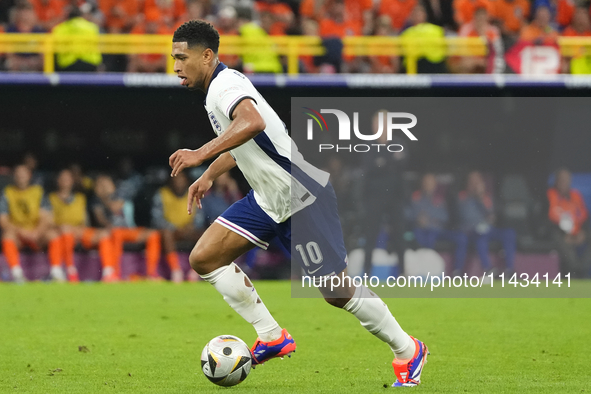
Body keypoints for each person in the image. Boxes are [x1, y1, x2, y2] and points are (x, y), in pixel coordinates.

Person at [169, 20, 429, 387]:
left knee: (336, 292)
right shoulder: (221, 87)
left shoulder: (225, 86)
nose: (176, 65)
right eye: (173, 57)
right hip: (268, 198)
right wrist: (211, 172)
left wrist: (199, 153)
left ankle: (408, 349)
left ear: (207, 56)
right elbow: (247, 141)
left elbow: (252, 122)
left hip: (299, 194)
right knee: (204, 258)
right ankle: (272, 336)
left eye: (182, 57)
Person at [49, 169, 116, 283]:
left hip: (79, 231)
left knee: (104, 235)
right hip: (62, 232)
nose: (66, 181)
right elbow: (49, 221)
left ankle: (109, 273)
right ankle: (70, 272)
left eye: (68, 179)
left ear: (72, 181)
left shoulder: (80, 198)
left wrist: (80, 229)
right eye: (63, 179)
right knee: (66, 232)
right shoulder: (51, 198)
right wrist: (61, 227)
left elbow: (84, 221)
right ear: (58, 181)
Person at [91, 174, 161, 281]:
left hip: (130, 230)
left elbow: (115, 207)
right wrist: (102, 197)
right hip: (114, 232)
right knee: (116, 233)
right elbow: (100, 219)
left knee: (153, 234)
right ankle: (115, 274)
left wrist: (105, 196)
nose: (104, 186)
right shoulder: (96, 200)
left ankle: (151, 273)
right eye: (100, 184)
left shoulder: (121, 193)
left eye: (106, 182)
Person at [0, 165, 63, 282]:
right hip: (18, 234)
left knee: (53, 234)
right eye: (18, 174)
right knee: (7, 236)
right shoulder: (7, 193)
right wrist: (21, 232)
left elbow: (46, 217)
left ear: (29, 176)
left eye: (23, 174)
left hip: (37, 234)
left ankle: (56, 272)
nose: (20, 177)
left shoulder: (38, 192)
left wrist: (36, 232)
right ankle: (17, 274)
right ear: (14, 176)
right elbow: (3, 220)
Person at [457, 171, 516, 275]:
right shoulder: (463, 197)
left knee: (509, 233)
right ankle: (488, 269)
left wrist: (480, 198)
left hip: (488, 229)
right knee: (480, 239)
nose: (475, 184)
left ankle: (509, 270)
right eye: (473, 181)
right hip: (471, 231)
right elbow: (466, 217)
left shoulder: (485, 197)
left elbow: (491, 215)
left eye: (477, 181)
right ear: (468, 183)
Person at [409, 173, 467, 274]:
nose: (428, 185)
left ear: (435, 184)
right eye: (426, 182)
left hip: (439, 230)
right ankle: (425, 270)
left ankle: (457, 271)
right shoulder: (416, 197)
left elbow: (444, 217)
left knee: (461, 237)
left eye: (431, 183)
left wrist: (430, 220)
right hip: (423, 230)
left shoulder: (439, 199)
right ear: (422, 184)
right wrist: (418, 219)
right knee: (426, 236)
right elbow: (409, 213)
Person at [151, 172, 203, 283]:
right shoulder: (162, 194)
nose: (178, 182)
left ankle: (195, 271)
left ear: (186, 181)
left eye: (181, 179)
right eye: (176, 180)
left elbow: (199, 217)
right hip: (171, 231)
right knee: (166, 234)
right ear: (170, 181)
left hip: (189, 230)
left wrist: (190, 227)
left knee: (206, 235)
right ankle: (176, 270)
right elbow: (157, 218)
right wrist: (175, 228)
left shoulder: (193, 194)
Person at [547, 168, 591, 278]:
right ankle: (576, 272)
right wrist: (566, 234)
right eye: (561, 180)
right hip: (558, 232)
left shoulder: (576, 195)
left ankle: (582, 269)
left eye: (566, 180)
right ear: (556, 181)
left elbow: (584, 216)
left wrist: (583, 233)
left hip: (577, 231)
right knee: (562, 242)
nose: (564, 183)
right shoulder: (549, 195)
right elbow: (547, 219)